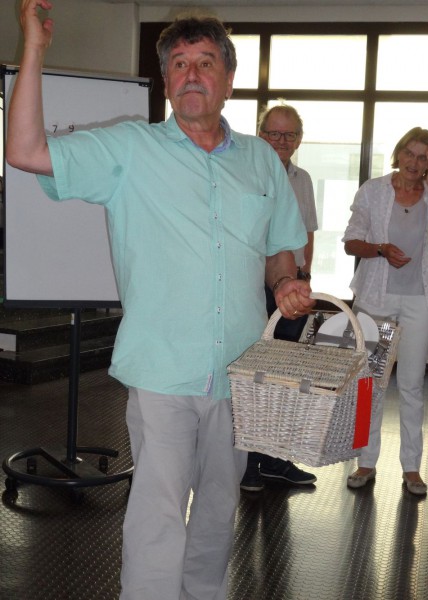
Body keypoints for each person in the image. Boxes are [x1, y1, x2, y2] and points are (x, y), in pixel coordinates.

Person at [7, 2, 316, 599]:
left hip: (238, 372)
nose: (192, 74)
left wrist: (284, 282)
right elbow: (24, 151)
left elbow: (280, 247)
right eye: (179, 63)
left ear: (229, 79)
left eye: (206, 62)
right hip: (162, 371)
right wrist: (34, 47)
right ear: (167, 80)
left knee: (218, 513)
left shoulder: (261, 160)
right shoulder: (131, 149)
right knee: (157, 516)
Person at [343, 127, 428, 496]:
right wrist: (381, 249)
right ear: (399, 152)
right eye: (410, 153)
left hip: (419, 298)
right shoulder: (373, 190)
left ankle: (412, 468)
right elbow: (350, 242)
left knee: (412, 384)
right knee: (368, 382)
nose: (414, 163)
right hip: (375, 297)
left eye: (424, 157)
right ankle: (364, 460)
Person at [240, 104, 319, 492]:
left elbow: (308, 232)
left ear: (299, 139)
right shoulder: (244, 173)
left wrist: (304, 276)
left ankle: (275, 458)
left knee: (284, 379)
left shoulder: (302, 179)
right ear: (260, 135)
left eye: (289, 134)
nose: (281, 141)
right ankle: (248, 463)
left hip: (292, 291)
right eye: (273, 133)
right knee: (252, 378)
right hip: (253, 289)